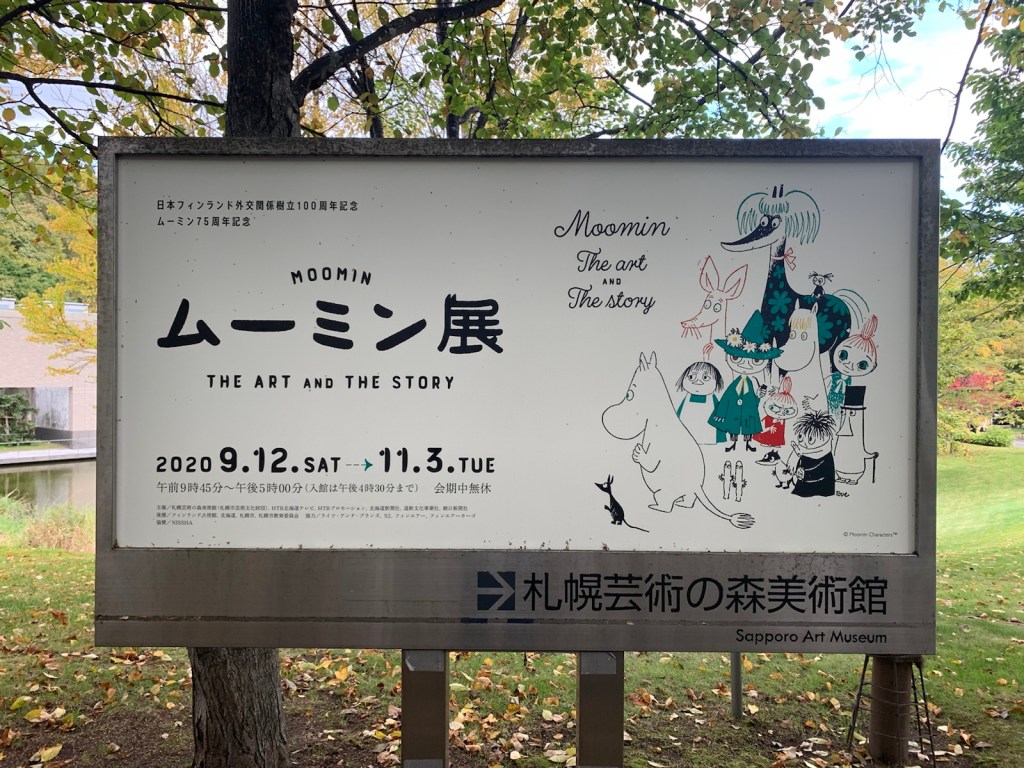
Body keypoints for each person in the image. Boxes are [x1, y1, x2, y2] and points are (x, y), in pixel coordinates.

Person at [708, 310, 781, 453]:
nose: (745, 365)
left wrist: (759, 395)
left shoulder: (754, 381)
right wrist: (721, 413)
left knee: (749, 425)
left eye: (755, 360)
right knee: (733, 425)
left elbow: (756, 397)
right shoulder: (734, 382)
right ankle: (733, 443)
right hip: (734, 410)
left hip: (749, 409)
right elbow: (727, 398)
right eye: (736, 358)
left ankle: (748, 443)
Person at [675, 360, 725, 444]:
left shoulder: (713, 400)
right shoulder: (686, 399)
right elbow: (678, 415)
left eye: (705, 377)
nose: (697, 381)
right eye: (691, 377)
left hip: (708, 436)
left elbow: (719, 416)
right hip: (685, 436)